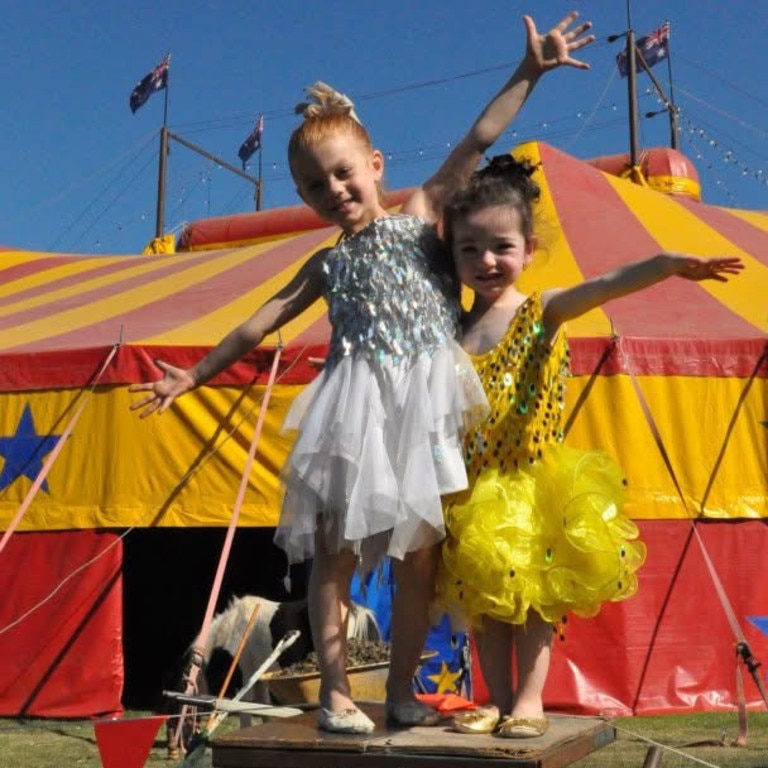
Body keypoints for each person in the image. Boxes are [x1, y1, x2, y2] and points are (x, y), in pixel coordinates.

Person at [130, 12, 596, 735]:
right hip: (350, 418)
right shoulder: (328, 262)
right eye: (314, 186)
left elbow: (478, 139)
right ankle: (336, 692)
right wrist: (192, 376)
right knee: (333, 557)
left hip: (428, 416)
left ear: (375, 166)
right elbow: (261, 321)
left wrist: (529, 71)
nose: (334, 190)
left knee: (421, 567)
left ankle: (403, 688)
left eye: (344, 172)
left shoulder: (422, 218)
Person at [436, 154, 745, 738]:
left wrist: (668, 265)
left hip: (530, 483)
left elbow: (605, 284)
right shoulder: (454, 330)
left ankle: (528, 700)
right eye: (469, 249)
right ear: (453, 256)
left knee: (531, 602)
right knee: (483, 603)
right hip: (471, 489)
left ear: (528, 250)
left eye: (501, 246)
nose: (486, 261)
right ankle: (497, 699)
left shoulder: (542, 310)